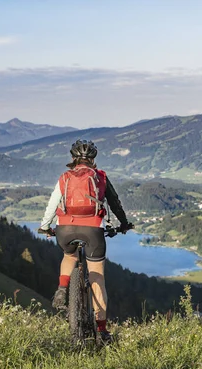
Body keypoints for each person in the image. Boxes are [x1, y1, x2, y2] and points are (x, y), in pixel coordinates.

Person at [38, 139, 132, 344]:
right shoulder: (100, 177)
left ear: (73, 158)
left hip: (65, 229)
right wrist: (124, 224)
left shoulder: (64, 178)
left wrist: (45, 227)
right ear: (93, 159)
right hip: (93, 230)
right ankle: (102, 331)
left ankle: (63, 288)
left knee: (69, 255)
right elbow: (115, 203)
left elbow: (52, 205)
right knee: (97, 277)